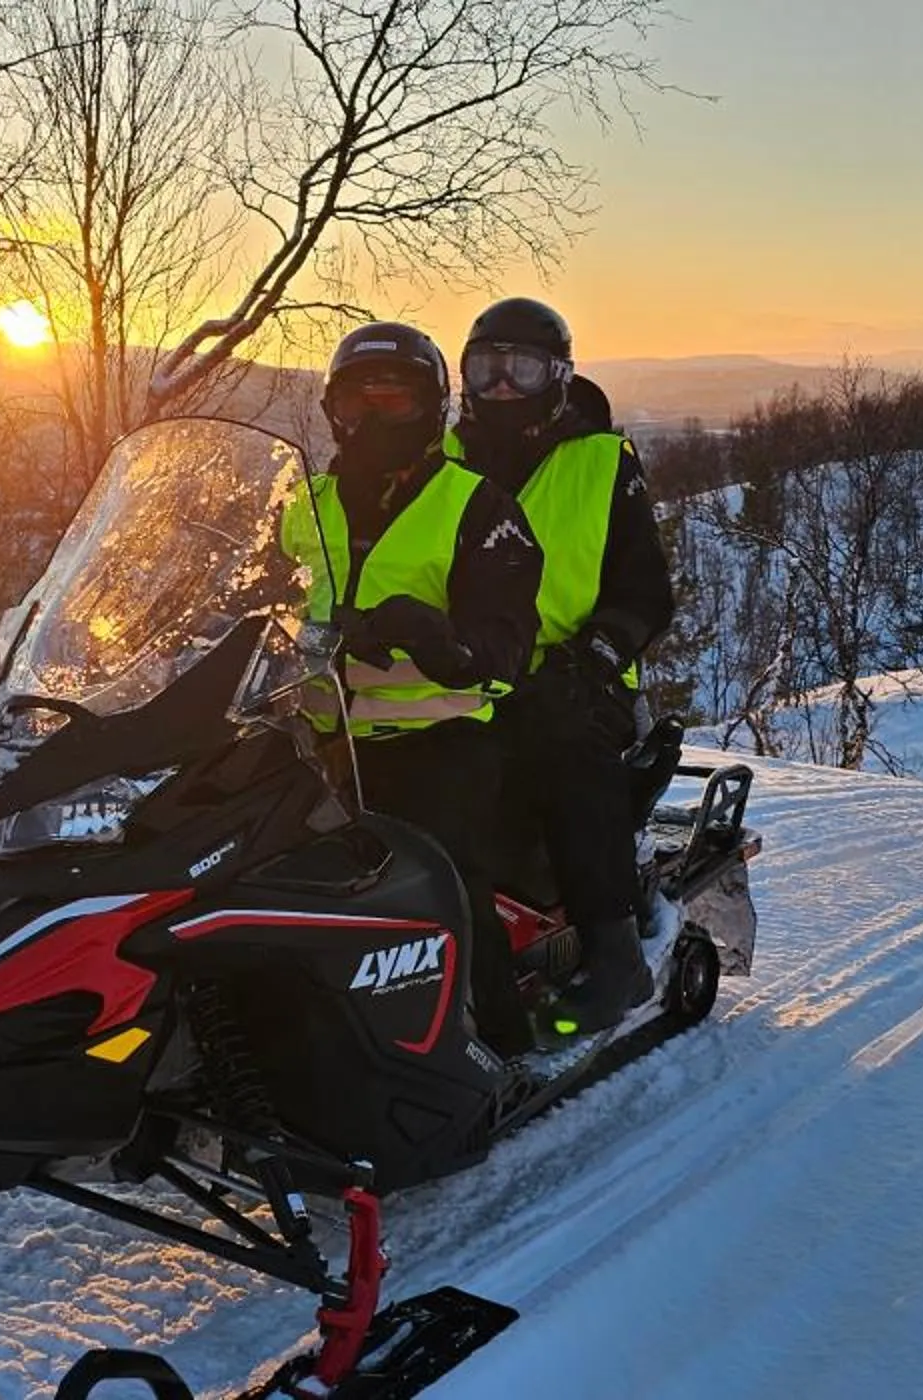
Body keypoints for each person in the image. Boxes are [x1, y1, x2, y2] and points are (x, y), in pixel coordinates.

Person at [282, 321, 545, 1058]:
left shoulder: (479, 508)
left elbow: (506, 649)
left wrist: (438, 637)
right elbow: (253, 588)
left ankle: (498, 1041)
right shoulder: (306, 503)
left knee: (440, 878)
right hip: (314, 736)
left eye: (393, 401)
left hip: (438, 735)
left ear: (431, 407)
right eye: (356, 402)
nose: (371, 418)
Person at [449, 297, 676, 1039]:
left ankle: (614, 951)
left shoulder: (602, 461)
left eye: (522, 367)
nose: (504, 386)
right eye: (487, 368)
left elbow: (646, 590)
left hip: (578, 676)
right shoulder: (439, 460)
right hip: (457, 672)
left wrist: (597, 656)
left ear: (559, 376)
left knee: (561, 749)